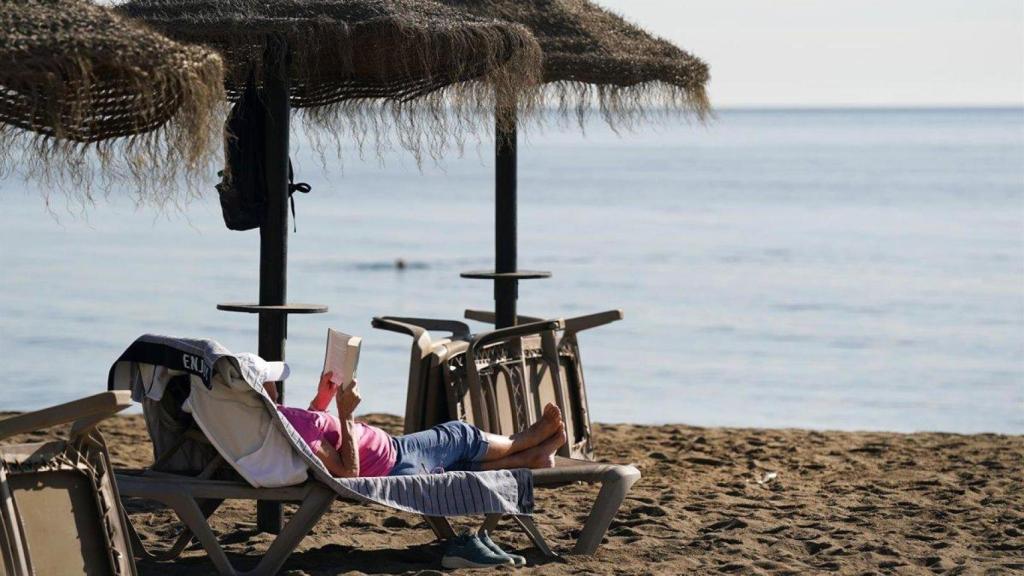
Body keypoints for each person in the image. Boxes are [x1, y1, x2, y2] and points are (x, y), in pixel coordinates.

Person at [264, 371, 566, 478]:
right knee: (459, 435)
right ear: (261, 390)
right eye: (268, 378)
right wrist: (346, 414)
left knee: (458, 465)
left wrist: (321, 400)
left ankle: (532, 457)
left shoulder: (277, 419)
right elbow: (348, 472)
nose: (274, 382)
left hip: (393, 459)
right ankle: (523, 440)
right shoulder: (284, 423)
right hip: (394, 461)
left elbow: (313, 438)